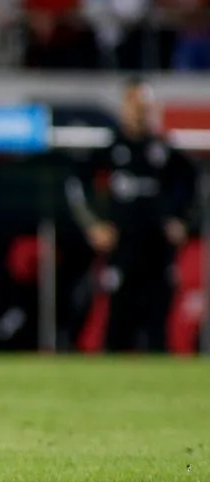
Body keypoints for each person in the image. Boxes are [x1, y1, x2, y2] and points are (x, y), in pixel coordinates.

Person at [65, 77, 198, 352]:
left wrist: (181, 219)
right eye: (133, 104)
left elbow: (192, 184)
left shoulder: (164, 151)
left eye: (143, 105)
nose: (138, 111)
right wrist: (94, 225)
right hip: (122, 247)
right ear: (124, 108)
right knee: (117, 322)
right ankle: (110, 385)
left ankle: (161, 387)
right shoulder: (111, 149)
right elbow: (76, 185)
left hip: (158, 249)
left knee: (157, 325)